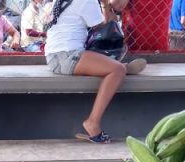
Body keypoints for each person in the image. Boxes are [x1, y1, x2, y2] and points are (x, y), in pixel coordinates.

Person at [45, 0, 148, 144]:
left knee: (115, 68)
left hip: (57, 56)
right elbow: (107, 25)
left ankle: (118, 67)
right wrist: (105, 4)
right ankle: (92, 122)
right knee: (117, 71)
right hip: (68, 56)